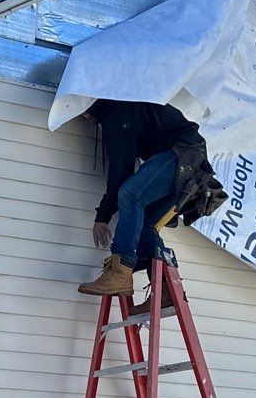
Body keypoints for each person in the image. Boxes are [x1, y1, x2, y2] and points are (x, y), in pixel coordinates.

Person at [78, 98, 214, 299]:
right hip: (191, 163)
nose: (83, 116)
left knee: (131, 193)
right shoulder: (122, 107)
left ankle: (120, 269)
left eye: (80, 110)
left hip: (183, 154)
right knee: (144, 226)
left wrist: (103, 216)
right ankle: (166, 293)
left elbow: (121, 171)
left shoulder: (117, 111)